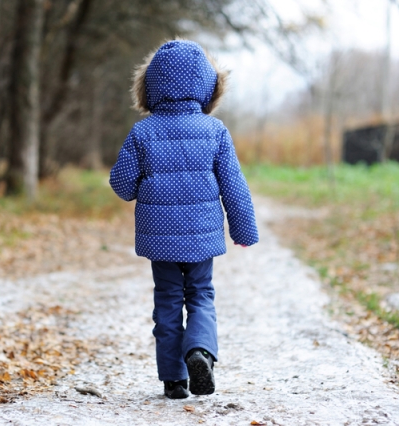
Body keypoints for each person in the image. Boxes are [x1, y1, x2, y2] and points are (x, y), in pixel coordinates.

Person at [109, 39, 259, 399]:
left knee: (167, 301)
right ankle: (199, 351)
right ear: (208, 86)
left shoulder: (142, 132)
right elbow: (234, 185)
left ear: (149, 86)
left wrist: (143, 182)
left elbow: (122, 184)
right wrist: (243, 228)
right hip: (202, 238)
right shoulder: (215, 131)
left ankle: (173, 380)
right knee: (201, 295)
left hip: (159, 240)